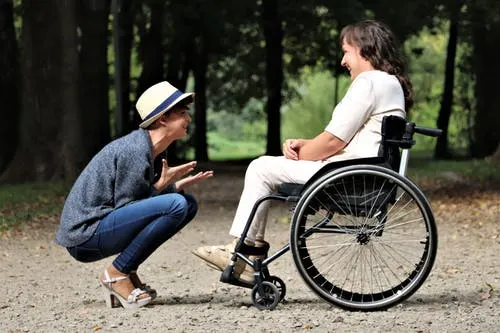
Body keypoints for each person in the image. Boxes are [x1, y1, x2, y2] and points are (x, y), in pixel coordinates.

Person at [192, 19, 413, 283]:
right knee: (266, 167)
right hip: (366, 172)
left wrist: (299, 153)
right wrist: (305, 144)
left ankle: (244, 254)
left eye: (346, 52)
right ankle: (247, 252)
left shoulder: (369, 82)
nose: (343, 61)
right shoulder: (390, 84)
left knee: (261, 168)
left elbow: (333, 142)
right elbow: (343, 139)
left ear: (365, 50)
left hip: (349, 175)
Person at [56, 81, 213, 309]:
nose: (188, 119)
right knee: (177, 204)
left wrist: (172, 187)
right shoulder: (134, 151)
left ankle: (125, 270)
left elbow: (137, 204)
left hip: (101, 226)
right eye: (182, 114)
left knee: (187, 203)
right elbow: (128, 206)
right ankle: (116, 274)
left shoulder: (152, 150)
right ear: (162, 119)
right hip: (85, 235)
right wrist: (162, 186)